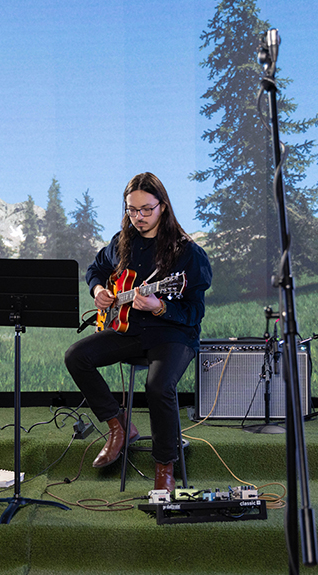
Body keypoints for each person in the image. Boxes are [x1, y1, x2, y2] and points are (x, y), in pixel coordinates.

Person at [64, 172, 212, 493]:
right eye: (132, 210)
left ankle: (164, 464)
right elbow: (95, 269)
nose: (139, 217)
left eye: (146, 209)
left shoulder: (188, 254)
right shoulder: (122, 242)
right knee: (76, 356)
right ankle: (119, 426)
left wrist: (160, 307)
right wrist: (98, 290)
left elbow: (194, 313)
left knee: (158, 386)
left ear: (163, 206)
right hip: (129, 329)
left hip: (174, 335)